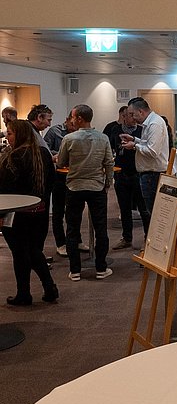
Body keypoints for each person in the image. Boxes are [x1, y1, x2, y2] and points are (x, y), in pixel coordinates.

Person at [0, 120, 57, 305]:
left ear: (20, 135)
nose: (7, 137)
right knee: (34, 251)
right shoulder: (43, 154)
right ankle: (49, 287)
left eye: (10, 133)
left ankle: (24, 293)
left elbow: (5, 191)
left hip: (16, 215)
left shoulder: (13, 157)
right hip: (39, 212)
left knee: (20, 254)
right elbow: (51, 182)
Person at [57, 104, 114, 281]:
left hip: (74, 187)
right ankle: (101, 268)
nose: (71, 120)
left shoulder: (69, 139)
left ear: (80, 118)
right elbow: (109, 163)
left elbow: (61, 163)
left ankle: (75, 270)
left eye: (73, 117)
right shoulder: (103, 138)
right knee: (100, 228)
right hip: (96, 187)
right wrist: (108, 183)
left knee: (72, 228)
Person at [44, 112, 89, 256]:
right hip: (59, 176)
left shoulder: (79, 133)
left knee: (74, 211)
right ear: (68, 120)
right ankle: (61, 243)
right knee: (58, 212)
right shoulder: (54, 131)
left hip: (74, 176)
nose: (74, 126)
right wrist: (60, 154)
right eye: (73, 123)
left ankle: (76, 240)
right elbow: (45, 150)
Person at [110, 108, 151, 250]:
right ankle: (127, 238)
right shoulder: (115, 130)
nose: (133, 118)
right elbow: (110, 148)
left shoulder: (141, 130)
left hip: (138, 173)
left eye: (134, 115)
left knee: (143, 209)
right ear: (124, 116)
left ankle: (147, 238)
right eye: (130, 116)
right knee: (124, 208)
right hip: (121, 173)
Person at [120, 97, 169, 214]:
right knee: (151, 210)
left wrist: (134, 146)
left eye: (132, 114)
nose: (132, 118)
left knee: (154, 212)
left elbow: (152, 151)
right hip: (150, 174)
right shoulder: (150, 123)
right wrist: (134, 139)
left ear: (140, 111)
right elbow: (147, 143)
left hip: (153, 175)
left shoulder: (154, 124)